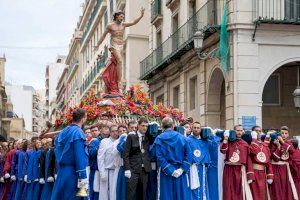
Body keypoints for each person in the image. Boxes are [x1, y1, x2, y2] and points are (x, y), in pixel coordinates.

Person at [96, 8, 145, 90]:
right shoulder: (110, 26)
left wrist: (141, 16)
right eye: (121, 16)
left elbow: (133, 22)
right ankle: (119, 81)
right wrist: (98, 44)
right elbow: (103, 35)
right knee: (120, 60)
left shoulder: (123, 25)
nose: (122, 18)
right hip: (114, 44)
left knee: (118, 63)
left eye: (123, 17)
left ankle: (116, 79)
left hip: (121, 44)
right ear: (116, 16)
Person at [51, 108, 88, 200]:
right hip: (73, 173)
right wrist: (83, 177)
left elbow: (57, 149)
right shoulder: (78, 132)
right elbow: (79, 157)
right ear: (83, 119)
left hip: (62, 171)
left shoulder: (63, 131)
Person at [153, 117, 192, 200]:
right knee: (181, 196)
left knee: (166, 196)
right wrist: (182, 169)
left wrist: (170, 170)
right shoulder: (183, 138)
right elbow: (189, 155)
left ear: (162, 126)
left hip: (165, 172)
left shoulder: (159, 138)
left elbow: (159, 157)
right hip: (180, 171)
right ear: (173, 126)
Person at [220, 125, 254, 200]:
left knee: (239, 191)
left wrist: (250, 175)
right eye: (238, 130)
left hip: (239, 170)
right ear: (234, 131)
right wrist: (225, 139)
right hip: (229, 169)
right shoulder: (229, 141)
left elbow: (248, 160)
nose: (239, 132)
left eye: (241, 130)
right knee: (228, 190)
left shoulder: (245, 144)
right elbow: (223, 151)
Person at [187, 123, 219, 200]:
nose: (196, 129)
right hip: (192, 167)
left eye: (198, 128)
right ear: (192, 128)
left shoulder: (205, 141)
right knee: (193, 187)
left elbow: (214, 145)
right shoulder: (187, 140)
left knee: (202, 187)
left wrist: (211, 134)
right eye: (194, 127)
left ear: (200, 129)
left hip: (202, 167)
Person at [122, 117, 151, 200]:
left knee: (142, 195)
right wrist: (127, 169)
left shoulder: (147, 137)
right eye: (142, 125)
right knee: (130, 195)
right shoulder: (131, 136)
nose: (144, 128)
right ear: (138, 125)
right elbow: (125, 154)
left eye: (146, 126)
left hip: (144, 170)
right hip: (133, 170)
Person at [268, 126, 298, 200]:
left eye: (286, 133)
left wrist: (282, 142)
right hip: (275, 168)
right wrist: (278, 146)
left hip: (285, 169)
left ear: (288, 135)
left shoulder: (288, 143)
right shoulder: (273, 143)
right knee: (276, 188)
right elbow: (275, 158)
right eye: (282, 133)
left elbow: (292, 151)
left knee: (285, 187)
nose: (284, 135)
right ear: (279, 134)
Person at [248, 126, 273, 200]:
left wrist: (270, 175)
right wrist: (250, 175)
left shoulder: (265, 146)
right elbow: (252, 153)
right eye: (256, 131)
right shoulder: (250, 144)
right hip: (254, 172)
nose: (258, 133)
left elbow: (268, 162)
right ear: (252, 133)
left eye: (259, 131)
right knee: (253, 194)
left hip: (263, 173)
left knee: (262, 194)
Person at [97, 124, 119, 200]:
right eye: (113, 131)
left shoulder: (120, 141)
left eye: (116, 131)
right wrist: (102, 172)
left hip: (116, 170)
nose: (115, 133)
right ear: (110, 132)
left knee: (114, 192)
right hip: (105, 170)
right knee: (103, 193)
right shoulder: (104, 141)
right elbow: (100, 158)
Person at [88, 125, 102, 200]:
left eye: (96, 130)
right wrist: (99, 148)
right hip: (95, 169)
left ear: (99, 131)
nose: (94, 132)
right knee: (94, 188)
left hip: (102, 169)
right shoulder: (93, 141)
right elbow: (91, 153)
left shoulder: (101, 140)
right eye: (92, 131)